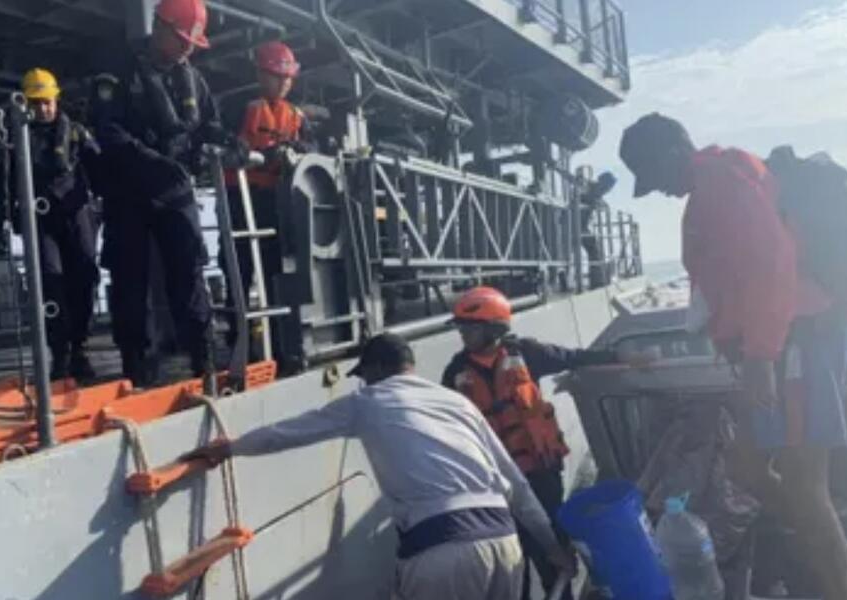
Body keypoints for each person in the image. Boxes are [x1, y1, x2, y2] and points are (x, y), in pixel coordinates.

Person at [619, 112, 847, 600]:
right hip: (779, 347)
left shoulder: (724, 180)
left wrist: (761, 358)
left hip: (797, 343)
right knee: (746, 465)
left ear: (671, 153)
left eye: (652, 174)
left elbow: (772, 268)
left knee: (806, 485)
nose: (656, 189)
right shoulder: (713, 188)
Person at [186, 333, 575, 600]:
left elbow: (289, 432)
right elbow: (516, 486)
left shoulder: (370, 400)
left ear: (374, 370)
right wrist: (550, 546)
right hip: (504, 541)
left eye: (364, 375)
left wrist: (232, 447)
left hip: (440, 548)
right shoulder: (458, 402)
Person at [440, 285, 650, 600]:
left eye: (470, 327)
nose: (463, 334)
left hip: (540, 474)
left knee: (553, 552)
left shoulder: (527, 353)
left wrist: (624, 357)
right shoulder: (455, 373)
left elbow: (574, 357)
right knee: (511, 559)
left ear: (494, 328)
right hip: (494, 482)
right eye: (461, 328)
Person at [90, 0, 237, 386]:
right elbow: (107, 131)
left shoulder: (193, 80)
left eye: (192, 42)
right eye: (184, 39)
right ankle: (136, 368)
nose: (189, 48)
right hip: (130, 194)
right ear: (161, 28)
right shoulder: (119, 72)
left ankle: (204, 361)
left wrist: (226, 142)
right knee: (129, 279)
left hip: (175, 192)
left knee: (189, 274)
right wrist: (153, 160)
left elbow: (209, 124)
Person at [0, 67, 101, 380]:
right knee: (50, 283)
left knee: (84, 277)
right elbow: (5, 184)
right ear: (25, 103)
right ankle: (60, 353)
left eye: (47, 102)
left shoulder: (77, 133)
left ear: (56, 100)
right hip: (40, 221)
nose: (42, 108)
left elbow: (102, 168)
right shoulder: (15, 140)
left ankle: (80, 348)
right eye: (35, 103)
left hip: (78, 216)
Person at [221, 40, 311, 363]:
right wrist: (259, 155)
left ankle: (279, 340)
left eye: (288, 77)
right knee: (238, 271)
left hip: (273, 202)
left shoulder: (295, 115)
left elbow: (308, 148)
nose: (284, 83)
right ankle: (237, 343)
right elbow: (226, 143)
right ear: (261, 74)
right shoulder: (241, 107)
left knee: (275, 272)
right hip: (240, 199)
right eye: (277, 76)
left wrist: (294, 153)